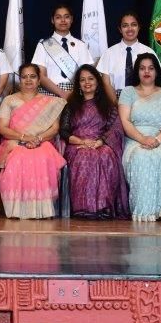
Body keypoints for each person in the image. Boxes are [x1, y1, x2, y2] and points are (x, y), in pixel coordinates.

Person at [119, 53, 161, 222]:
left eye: (151, 68)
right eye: (142, 68)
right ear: (137, 71)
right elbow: (125, 121)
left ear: (156, 71)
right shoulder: (128, 92)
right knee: (142, 156)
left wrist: (157, 139)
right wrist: (143, 139)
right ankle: (145, 212)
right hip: (135, 139)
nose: (146, 72)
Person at [0, 63, 66, 219]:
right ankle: (16, 209)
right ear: (19, 80)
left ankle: (43, 209)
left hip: (42, 142)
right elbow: (2, 128)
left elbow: (54, 129)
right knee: (17, 158)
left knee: (43, 156)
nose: (28, 80)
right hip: (14, 141)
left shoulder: (50, 102)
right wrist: (24, 138)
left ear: (39, 80)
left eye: (32, 76)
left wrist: (38, 139)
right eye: (24, 77)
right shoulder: (9, 100)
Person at [60, 65, 127, 218]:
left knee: (106, 155)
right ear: (78, 84)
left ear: (97, 82)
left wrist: (101, 141)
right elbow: (64, 130)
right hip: (77, 145)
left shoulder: (107, 106)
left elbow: (115, 128)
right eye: (82, 80)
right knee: (85, 156)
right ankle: (83, 208)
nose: (87, 83)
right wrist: (80, 141)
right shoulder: (71, 106)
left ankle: (104, 207)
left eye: (90, 79)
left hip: (100, 143)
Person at [31, 5, 95, 98]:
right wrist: (62, 93)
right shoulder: (43, 44)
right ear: (52, 20)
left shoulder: (81, 45)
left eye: (66, 17)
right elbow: (40, 75)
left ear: (71, 19)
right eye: (58, 17)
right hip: (49, 94)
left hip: (76, 94)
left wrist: (73, 93)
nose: (63, 20)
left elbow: (87, 74)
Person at [99, 11, 161, 102]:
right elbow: (106, 82)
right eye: (125, 26)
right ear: (120, 29)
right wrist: (117, 104)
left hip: (145, 101)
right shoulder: (109, 53)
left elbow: (156, 79)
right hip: (115, 100)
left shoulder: (149, 52)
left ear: (139, 27)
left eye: (133, 25)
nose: (130, 29)